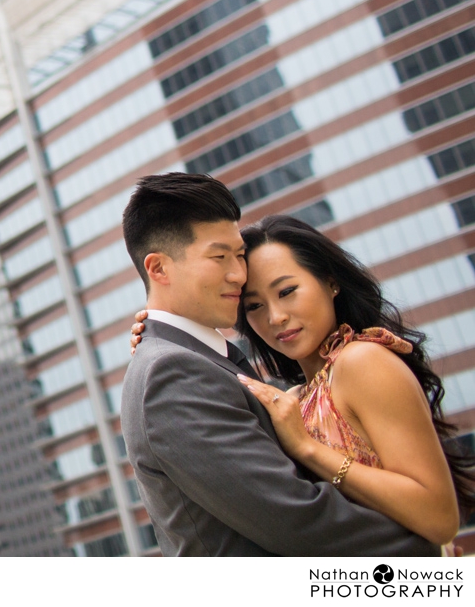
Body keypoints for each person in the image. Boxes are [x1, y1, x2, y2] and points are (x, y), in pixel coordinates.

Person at [120, 172, 436, 555]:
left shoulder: (196, 360)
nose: (237, 274)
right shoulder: (172, 373)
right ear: (158, 269)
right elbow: (300, 521)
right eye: (220, 257)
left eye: (239, 256)